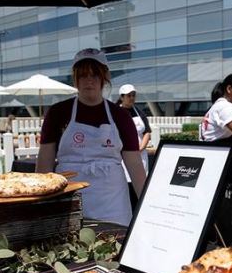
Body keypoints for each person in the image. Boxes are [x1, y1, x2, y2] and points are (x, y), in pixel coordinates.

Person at [36, 48, 146, 226]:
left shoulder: (121, 116)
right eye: (83, 75)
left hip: (112, 201)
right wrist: (39, 204)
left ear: (104, 78)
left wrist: (147, 204)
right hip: (69, 197)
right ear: (75, 79)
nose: (89, 81)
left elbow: (135, 166)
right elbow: (44, 163)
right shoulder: (58, 113)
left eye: (95, 75)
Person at [117, 84, 151, 209]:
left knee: (141, 184)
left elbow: (147, 131)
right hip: (123, 155)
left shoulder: (139, 112)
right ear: (122, 97)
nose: (131, 98)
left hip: (140, 155)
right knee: (127, 184)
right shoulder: (116, 112)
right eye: (128, 96)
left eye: (133, 95)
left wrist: (141, 147)